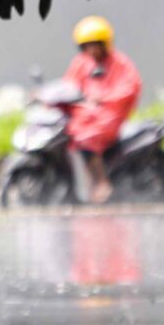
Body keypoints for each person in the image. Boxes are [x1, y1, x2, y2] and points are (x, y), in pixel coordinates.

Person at [63, 15, 143, 203]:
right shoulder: (81, 62)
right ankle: (88, 182)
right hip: (87, 113)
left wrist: (104, 99)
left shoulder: (120, 63)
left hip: (111, 114)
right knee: (73, 131)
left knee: (86, 137)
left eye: (96, 44)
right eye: (87, 45)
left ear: (105, 43)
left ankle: (102, 182)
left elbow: (131, 86)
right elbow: (69, 86)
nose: (92, 49)